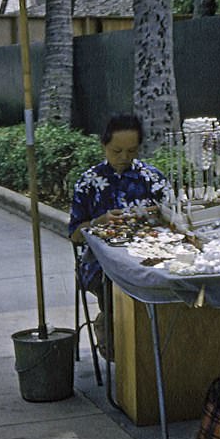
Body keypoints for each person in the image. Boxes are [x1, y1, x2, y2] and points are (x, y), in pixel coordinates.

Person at [68, 114, 169, 358]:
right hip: (101, 265)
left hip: (150, 256)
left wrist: (157, 215)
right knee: (116, 287)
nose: (124, 158)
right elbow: (74, 234)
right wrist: (97, 222)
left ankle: (157, 349)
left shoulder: (151, 178)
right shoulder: (89, 182)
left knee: (168, 281)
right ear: (104, 145)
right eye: (117, 151)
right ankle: (120, 342)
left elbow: (172, 219)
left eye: (131, 151)